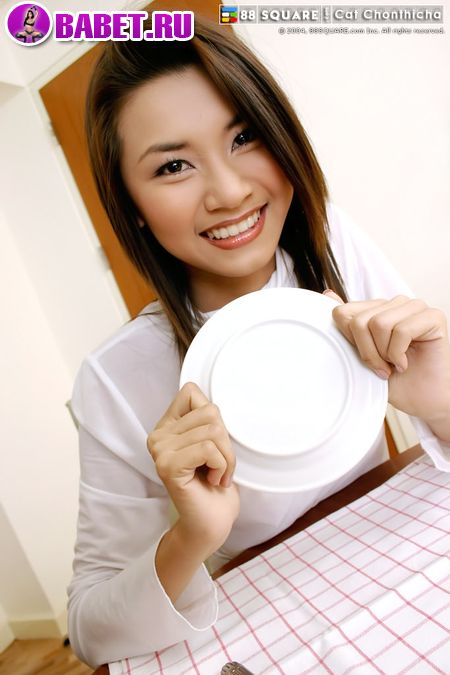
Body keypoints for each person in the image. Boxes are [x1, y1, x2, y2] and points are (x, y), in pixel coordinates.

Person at [67, 17, 450, 668]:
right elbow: (89, 633)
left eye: (244, 136)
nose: (230, 191)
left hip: (393, 559)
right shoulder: (116, 373)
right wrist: (196, 533)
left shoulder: (331, 245)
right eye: (174, 166)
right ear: (131, 205)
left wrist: (438, 403)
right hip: (274, 612)